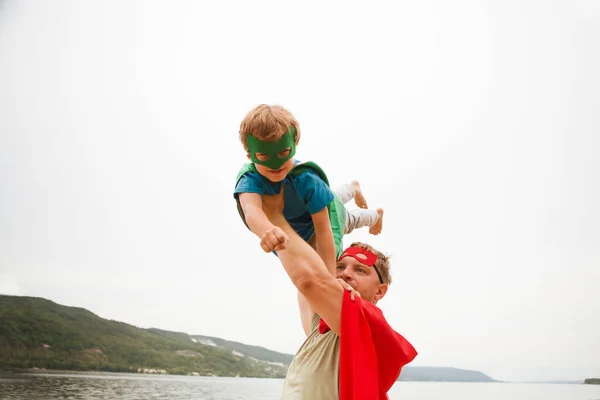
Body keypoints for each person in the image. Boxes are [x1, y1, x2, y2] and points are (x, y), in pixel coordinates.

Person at [258, 186, 417, 400]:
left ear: (380, 292)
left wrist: (275, 216)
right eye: (340, 267)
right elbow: (309, 274)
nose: (346, 274)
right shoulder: (320, 326)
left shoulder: (364, 320)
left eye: (360, 270)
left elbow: (307, 281)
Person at [234, 104, 384, 275]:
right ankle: (353, 188)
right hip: (312, 206)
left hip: (326, 216)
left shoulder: (307, 179)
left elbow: (324, 230)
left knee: (349, 220)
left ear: (295, 145)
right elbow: (251, 209)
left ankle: (375, 215)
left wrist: (330, 277)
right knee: (334, 195)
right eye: (264, 155)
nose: (276, 164)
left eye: (283, 153)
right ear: (250, 155)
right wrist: (266, 230)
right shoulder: (250, 179)